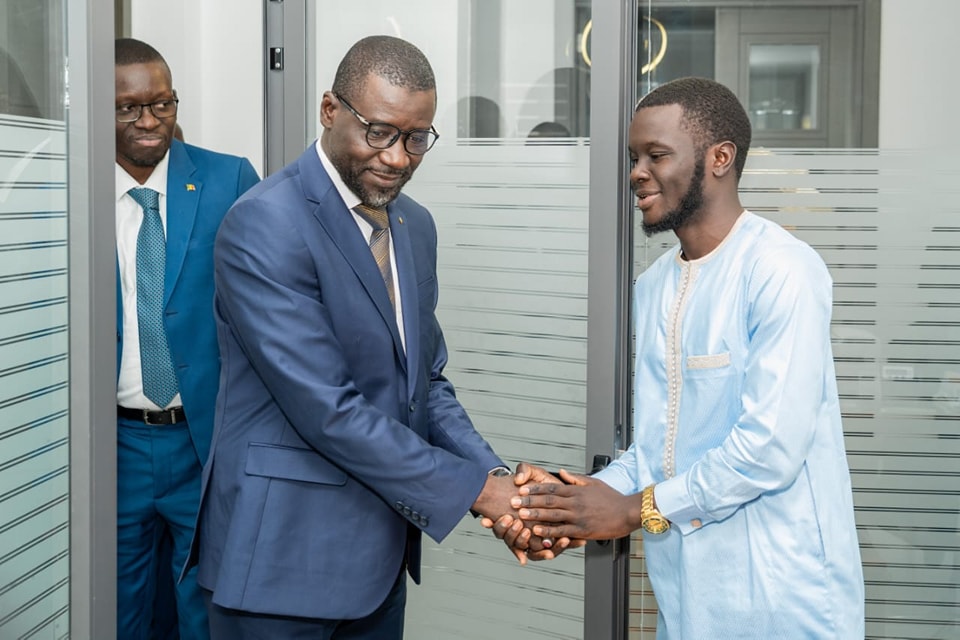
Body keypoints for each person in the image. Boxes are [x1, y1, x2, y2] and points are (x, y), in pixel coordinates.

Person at [190, 35, 564, 639]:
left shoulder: (414, 225)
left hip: (378, 563)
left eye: (416, 138)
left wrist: (496, 478)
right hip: (280, 565)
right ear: (329, 110)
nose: (397, 158)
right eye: (379, 132)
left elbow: (424, 384)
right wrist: (480, 494)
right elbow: (328, 410)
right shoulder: (266, 222)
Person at [503, 77, 865, 638]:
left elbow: (768, 449)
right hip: (687, 601)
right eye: (634, 158)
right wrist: (566, 502)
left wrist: (627, 511)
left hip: (784, 601)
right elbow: (658, 449)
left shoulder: (782, 269)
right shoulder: (653, 287)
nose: (636, 173)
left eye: (657, 155)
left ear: (720, 158)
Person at [114, 37, 259, 639]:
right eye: (128, 108)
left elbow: (272, 307)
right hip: (112, 446)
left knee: (207, 610)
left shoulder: (229, 179)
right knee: (114, 608)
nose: (150, 121)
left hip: (205, 442)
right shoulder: (68, 188)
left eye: (163, 103)